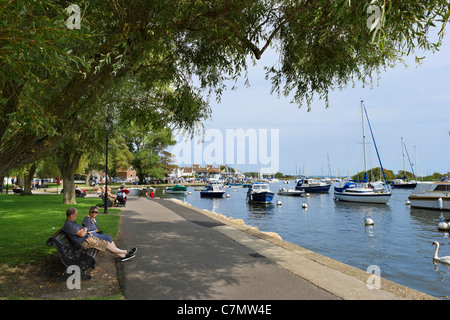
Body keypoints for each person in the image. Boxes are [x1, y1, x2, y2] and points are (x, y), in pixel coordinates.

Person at [63, 207, 136, 262]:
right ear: (72, 215)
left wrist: (84, 230)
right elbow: (82, 233)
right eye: (76, 214)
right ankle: (126, 252)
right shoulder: (68, 225)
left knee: (107, 243)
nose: (77, 215)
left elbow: (82, 230)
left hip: (87, 238)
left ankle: (123, 256)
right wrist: (84, 229)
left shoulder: (72, 223)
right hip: (83, 242)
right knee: (107, 244)